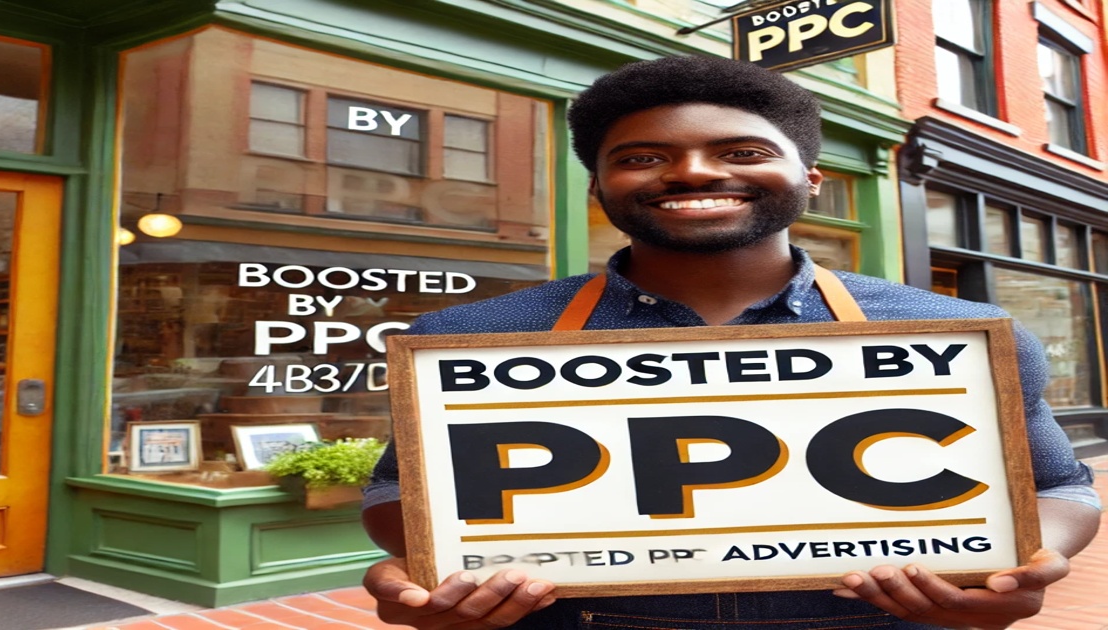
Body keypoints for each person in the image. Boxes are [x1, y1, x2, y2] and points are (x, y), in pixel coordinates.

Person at [360, 55, 1102, 629]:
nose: (692, 170)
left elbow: (1060, 490)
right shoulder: (466, 339)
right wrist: (431, 573)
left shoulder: (957, 335)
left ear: (809, 179)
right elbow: (396, 495)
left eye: (743, 152)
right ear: (599, 190)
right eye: (642, 156)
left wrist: (1025, 564)